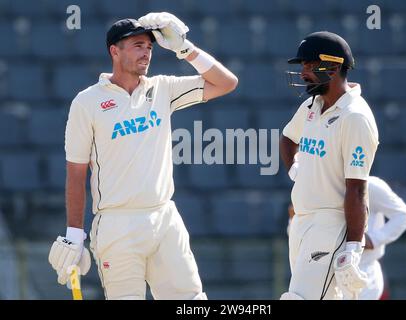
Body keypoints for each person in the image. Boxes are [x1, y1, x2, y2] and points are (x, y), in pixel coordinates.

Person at [48, 12, 238, 300]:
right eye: (138, 45)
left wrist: (185, 49)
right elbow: (76, 172)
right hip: (117, 225)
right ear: (115, 50)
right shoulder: (87, 102)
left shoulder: (162, 88)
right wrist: (75, 234)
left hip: (164, 218)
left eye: (149, 47)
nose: (146, 53)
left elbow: (226, 83)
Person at [279, 31, 379, 300]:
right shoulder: (313, 105)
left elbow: (357, 189)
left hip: (330, 224)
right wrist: (294, 169)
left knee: (297, 298)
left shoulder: (355, 117)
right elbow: (288, 138)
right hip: (301, 221)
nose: (302, 73)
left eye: (310, 66)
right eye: (302, 66)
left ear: (333, 67)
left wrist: (354, 246)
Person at [287, 176, 406, 299]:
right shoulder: (317, 190)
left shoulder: (371, 186)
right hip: (326, 274)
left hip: (363, 273)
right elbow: (298, 235)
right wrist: (294, 221)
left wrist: (374, 239)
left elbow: (404, 215)